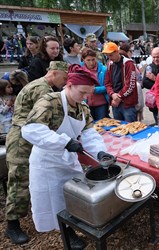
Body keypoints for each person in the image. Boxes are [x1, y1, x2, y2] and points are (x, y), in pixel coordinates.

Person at [21, 64, 111, 249]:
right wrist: (63, 142)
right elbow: (31, 130)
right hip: (47, 162)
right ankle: (66, 234)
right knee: (54, 200)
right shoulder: (49, 102)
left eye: (88, 94)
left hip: (68, 160)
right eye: (82, 92)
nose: (85, 97)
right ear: (69, 85)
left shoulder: (82, 108)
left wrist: (99, 151)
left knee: (71, 196)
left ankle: (71, 226)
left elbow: (89, 133)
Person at [4, 61, 68, 245]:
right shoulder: (43, 90)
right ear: (54, 73)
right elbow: (51, 119)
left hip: (28, 137)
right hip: (22, 141)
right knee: (19, 181)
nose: (64, 82)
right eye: (63, 78)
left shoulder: (39, 83)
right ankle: (12, 225)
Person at [103, 42, 139, 122]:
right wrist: (112, 94)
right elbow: (107, 82)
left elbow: (131, 84)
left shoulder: (129, 63)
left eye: (111, 55)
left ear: (117, 52)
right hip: (115, 102)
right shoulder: (110, 64)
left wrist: (119, 96)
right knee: (118, 128)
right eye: (107, 56)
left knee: (131, 128)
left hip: (127, 103)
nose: (109, 58)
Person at [81, 48, 109, 120]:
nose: (91, 63)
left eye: (93, 59)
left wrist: (95, 90)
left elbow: (108, 86)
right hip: (85, 104)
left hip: (101, 104)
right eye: (88, 60)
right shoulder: (80, 70)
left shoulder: (104, 70)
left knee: (102, 125)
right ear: (83, 60)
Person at [142, 47, 159, 123]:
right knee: (158, 121)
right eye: (154, 57)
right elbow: (145, 83)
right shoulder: (149, 67)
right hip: (154, 101)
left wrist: (155, 79)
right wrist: (158, 84)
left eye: (158, 57)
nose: (156, 59)